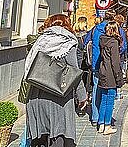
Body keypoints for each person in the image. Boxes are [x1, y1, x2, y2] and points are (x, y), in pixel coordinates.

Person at [23, 14, 87, 147]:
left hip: (36, 95)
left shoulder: (39, 41)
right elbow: (74, 72)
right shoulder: (68, 43)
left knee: (40, 138)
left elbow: (28, 67)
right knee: (58, 136)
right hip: (59, 97)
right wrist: (82, 96)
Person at [84, 11, 115, 126]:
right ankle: (105, 119)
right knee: (108, 92)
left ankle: (95, 117)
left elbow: (86, 43)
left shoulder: (95, 29)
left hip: (96, 63)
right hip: (108, 65)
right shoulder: (114, 29)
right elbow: (121, 47)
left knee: (97, 89)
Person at [97, 21, 125, 135]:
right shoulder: (113, 42)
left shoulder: (102, 40)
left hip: (103, 71)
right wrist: (119, 78)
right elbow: (115, 63)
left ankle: (101, 124)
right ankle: (107, 125)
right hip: (110, 74)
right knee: (110, 101)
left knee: (103, 99)